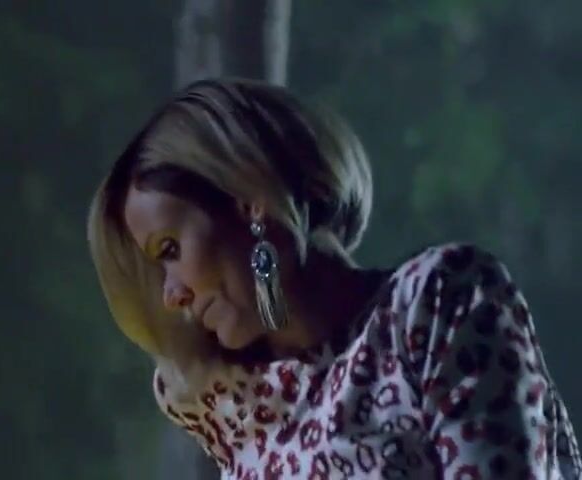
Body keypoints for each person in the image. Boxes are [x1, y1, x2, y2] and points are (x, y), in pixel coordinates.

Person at [87, 77, 581, 479]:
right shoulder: (234, 411)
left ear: (249, 201)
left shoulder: (434, 305)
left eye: (170, 250)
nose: (171, 295)